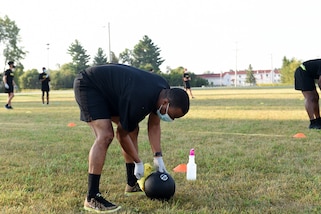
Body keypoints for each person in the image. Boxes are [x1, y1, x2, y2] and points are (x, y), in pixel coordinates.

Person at [73, 64, 190, 213]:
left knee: (132, 128)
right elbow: (121, 134)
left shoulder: (163, 90)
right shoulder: (140, 99)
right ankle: (92, 197)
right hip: (90, 84)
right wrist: (138, 162)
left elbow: (154, 126)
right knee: (106, 135)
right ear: (165, 103)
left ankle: (131, 184)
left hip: (112, 91)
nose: (170, 119)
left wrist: (158, 156)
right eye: (172, 115)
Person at [294, 59, 321, 129]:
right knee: (310, 97)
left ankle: (318, 120)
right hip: (302, 71)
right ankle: (312, 122)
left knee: (316, 97)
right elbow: (320, 82)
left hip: (309, 75)